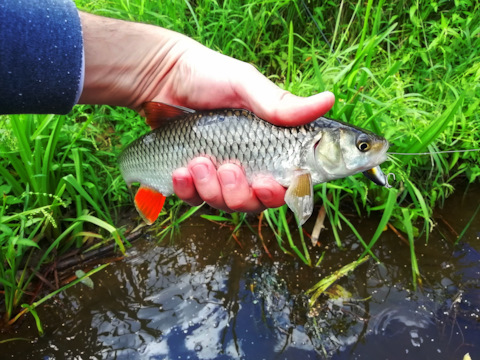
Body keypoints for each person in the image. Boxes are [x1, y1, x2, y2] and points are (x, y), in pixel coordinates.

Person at [0, 0, 335, 213]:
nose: (368, 152)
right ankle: (145, 180)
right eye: (362, 147)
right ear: (318, 144)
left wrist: (166, 67)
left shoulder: (302, 161)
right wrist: (161, 67)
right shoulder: (303, 156)